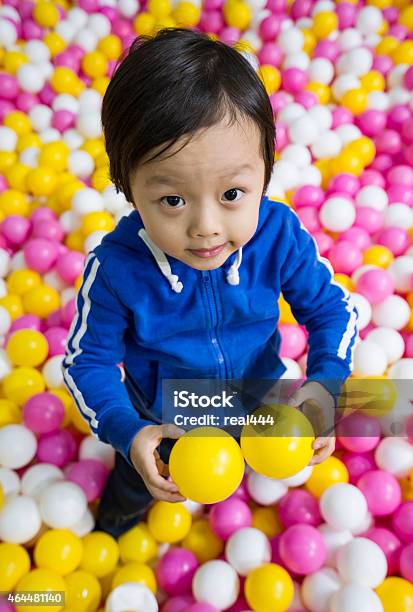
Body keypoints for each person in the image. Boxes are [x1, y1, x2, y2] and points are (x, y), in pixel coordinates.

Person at [61, 27, 359, 538]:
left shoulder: (278, 234)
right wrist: (129, 432)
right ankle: (113, 524)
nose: (206, 227)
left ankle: (236, 484)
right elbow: (85, 362)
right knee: (137, 483)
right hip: (164, 415)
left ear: (266, 172)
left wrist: (327, 383)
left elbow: (332, 310)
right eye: (172, 200)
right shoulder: (115, 270)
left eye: (233, 193)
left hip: (257, 394)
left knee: (289, 441)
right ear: (127, 185)